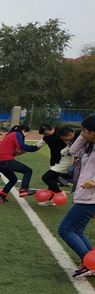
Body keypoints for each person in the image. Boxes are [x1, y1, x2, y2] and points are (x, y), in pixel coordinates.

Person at [58, 117, 95, 276]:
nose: (81, 133)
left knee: (65, 229)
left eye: (84, 131)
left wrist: (93, 181)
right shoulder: (90, 145)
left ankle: (89, 263)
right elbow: (74, 151)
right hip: (85, 195)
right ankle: (90, 262)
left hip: (91, 197)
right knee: (77, 229)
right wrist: (84, 136)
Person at [0, 124, 45, 202]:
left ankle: (1, 196)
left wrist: (18, 152)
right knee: (28, 170)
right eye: (26, 134)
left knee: (13, 179)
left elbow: (12, 150)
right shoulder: (17, 134)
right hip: (6, 160)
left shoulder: (9, 135)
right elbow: (21, 146)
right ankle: (24, 189)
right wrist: (35, 148)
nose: (25, 136)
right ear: (23, 130)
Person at [40, 126, 76, 202]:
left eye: (64, 138)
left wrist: (63, 152)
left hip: (65, 161)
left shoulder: (74, 140)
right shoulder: (50, 138)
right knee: (53, 179)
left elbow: (67, 151)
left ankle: (60, 193)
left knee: (46, 177)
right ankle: (50, 200)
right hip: (59, 160)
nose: (64, 140)